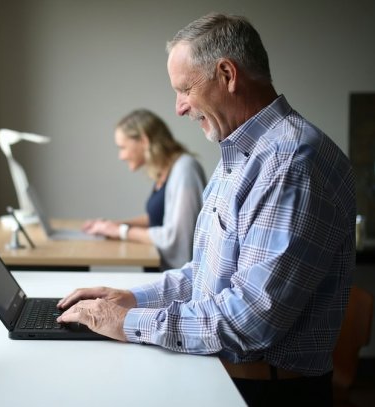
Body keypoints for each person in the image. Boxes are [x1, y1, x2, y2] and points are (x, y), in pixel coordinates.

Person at [57, 13, 355, 407]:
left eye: (184, 89)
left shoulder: (290, 162)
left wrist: (126, 323)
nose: (179, 108)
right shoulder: (243, 154)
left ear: (228, 75)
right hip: (230, 377)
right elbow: (206, 275)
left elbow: (248, 320)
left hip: (264, 392)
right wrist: (130, 299)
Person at [82, 109, 206, 270]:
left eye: (122, 147)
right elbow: (157, 218)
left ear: (144, 141)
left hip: (175, 280)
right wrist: (112, 226)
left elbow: (176, 236)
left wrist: (121, 231)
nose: (121, 156)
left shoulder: (185, 169)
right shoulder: (166, 170)